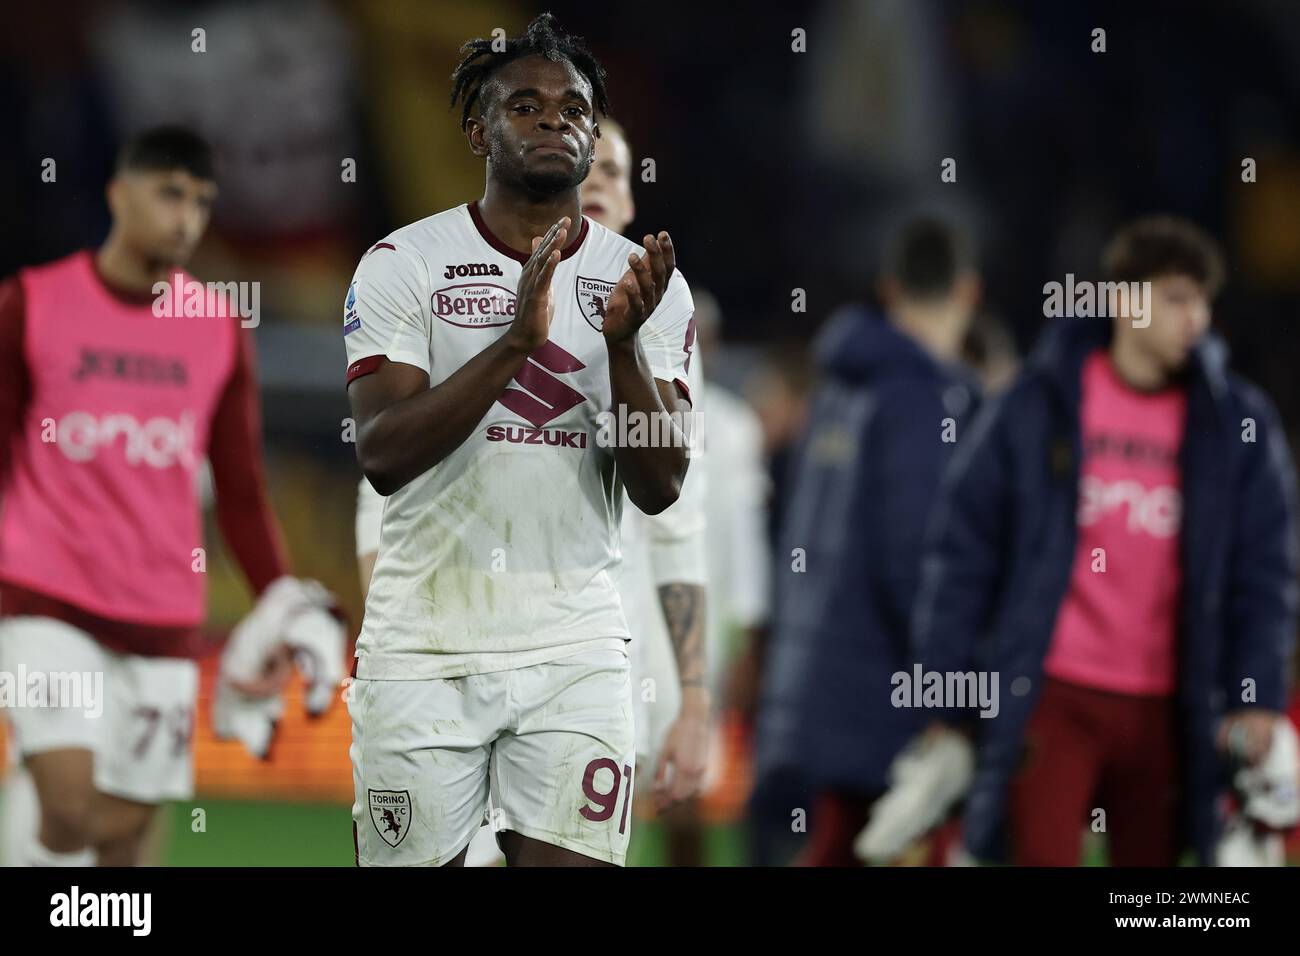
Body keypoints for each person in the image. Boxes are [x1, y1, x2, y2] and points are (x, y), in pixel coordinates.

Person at [343, 14, 695, 867]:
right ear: (477, 129)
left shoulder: (645, 283)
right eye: (526, 106)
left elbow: (660, 485)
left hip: (574, 648)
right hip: (425, 645)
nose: (554, 121)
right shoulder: (403, 263)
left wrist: (619, 348)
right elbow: (382, 454)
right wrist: (514, 344)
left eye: (573, 108)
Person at [912, 215, 1298, 865]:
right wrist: (944, 685)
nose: (1196, 319)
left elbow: (1265, 572)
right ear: (1125, 299)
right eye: (1177, 298)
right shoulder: (1036, 404)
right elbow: (964, 547)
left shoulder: (1234, 423)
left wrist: (1255, 693)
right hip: (1053, 696)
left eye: (1203, 300)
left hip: (1169, 705)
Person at [0, 127, 306, 866]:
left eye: (201, 201)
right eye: (170, 193)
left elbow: (239, 492)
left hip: (164, 617)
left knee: (126, 843)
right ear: (118, 192)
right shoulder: (30, 305)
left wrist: (285, 607)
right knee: (71, 811)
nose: (186, 218)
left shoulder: (218, 329)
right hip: (45, 599)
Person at [752, 217, 980, 865]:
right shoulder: (921, 399)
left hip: (818, 683)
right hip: (887, 694)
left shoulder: (836, 392)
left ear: (888, 288)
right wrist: (952, 679)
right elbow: (914, 557)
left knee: (835, 849)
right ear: (968, 291)